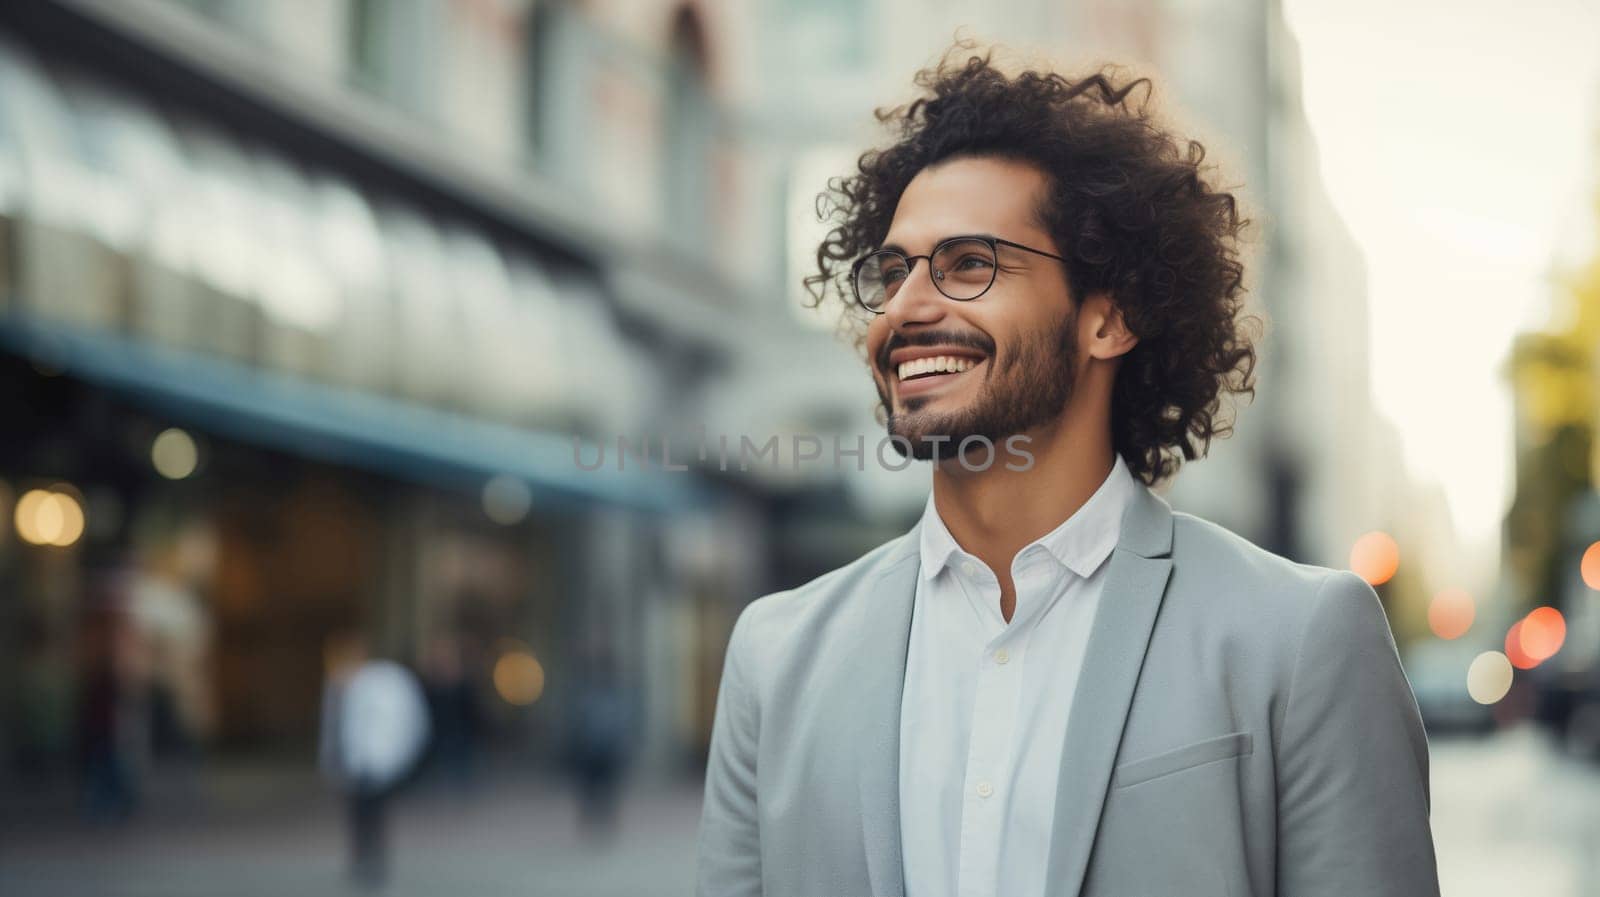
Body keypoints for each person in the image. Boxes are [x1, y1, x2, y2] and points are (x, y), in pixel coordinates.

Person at [695, 43, 1439, 897]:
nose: (903, 309)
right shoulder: (774, 656)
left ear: (1109, 317)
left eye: (969, 264)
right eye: (892, 272)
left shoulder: (1301, 638)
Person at [318, 630, 430, 888]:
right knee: (357, 815)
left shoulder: (377, 684)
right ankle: (361, 861)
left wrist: (388, 759)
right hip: (354, 764)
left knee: (372, 816)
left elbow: (396, 724)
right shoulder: (340, 687)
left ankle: (373, 864)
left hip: (373, 764)